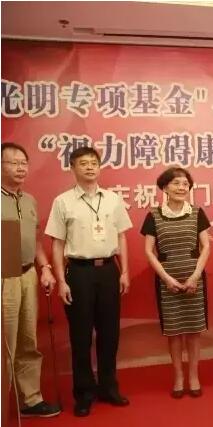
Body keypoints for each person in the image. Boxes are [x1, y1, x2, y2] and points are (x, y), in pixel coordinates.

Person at [45, 146, 132, 417]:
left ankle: (108, 387)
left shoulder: (113, 199)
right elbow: (57, 243)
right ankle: (84, 393)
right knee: (81, 336)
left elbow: (121, 237)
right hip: (79, 272)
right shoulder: (63, 202)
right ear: (72, 168)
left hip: (108, 271)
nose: (90, 167)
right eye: (83, 163)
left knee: (110, 334)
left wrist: (125, 271)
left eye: (94, 162)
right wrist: (61, 280)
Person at [1, 142, 61, 418]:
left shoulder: (29, 200)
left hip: (27, 275)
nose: (20, 167)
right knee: (5, 344)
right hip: (4, 278)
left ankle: (31, 399)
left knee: (28, 340)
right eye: (13, 162)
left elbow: (35, 241)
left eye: (23, 162)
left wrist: (45, 268)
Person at [141, 167, 211, 398]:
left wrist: (195, 276)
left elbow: (206, 246)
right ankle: (178, 377)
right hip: (166, 280)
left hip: (194, 279)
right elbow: (149, 251)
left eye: (185, 184)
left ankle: (194, 376)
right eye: (176, 183)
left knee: (193, 331)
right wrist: (167, 279)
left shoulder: (197, 212)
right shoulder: (153, 215)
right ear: (165, 187)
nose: (182, 188)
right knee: (174, 332)